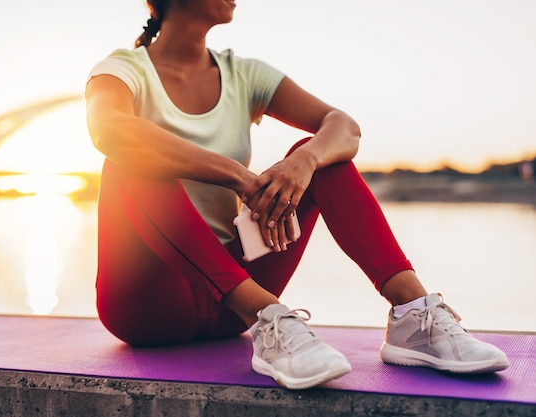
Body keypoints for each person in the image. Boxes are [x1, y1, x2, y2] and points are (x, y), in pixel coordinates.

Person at [85, 0, 509, 390]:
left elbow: (344, 126)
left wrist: (302, 163)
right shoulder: (121, 70)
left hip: (232, 304)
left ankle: (412, 315)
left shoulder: (243, 73)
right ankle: (271, 316)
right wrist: (237, 176)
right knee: (129, 159)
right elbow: (109, 129)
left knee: (325, 157)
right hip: (149, 307)